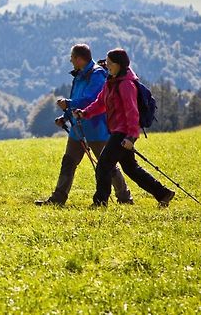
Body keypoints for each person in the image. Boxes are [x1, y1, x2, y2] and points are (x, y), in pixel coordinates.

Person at [73, 48, 175, 207]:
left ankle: (100, 202)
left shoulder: (126, 84)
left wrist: (131, 137)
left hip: (123, 133)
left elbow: (132, 113)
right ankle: (163, 193)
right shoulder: (110, 81)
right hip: (117, 131)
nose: (106, 65)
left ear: (119, 64)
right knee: (131, 169)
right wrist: (84, 113)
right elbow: (101, 104)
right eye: (106, 62)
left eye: (109, 63)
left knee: (103, 165)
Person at [35, 44, 133, 206]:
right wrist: (65, 116)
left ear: (79, 59)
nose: (70, 60)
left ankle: (124, 197)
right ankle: (58, 198)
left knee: (107, 164)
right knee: (69, 161)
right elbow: (77, 99)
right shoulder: (80, 75)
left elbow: (93, 99)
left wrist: (68, 103)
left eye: (72, 57)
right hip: (77, 128)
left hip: (96, 127)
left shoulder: (97, 74)